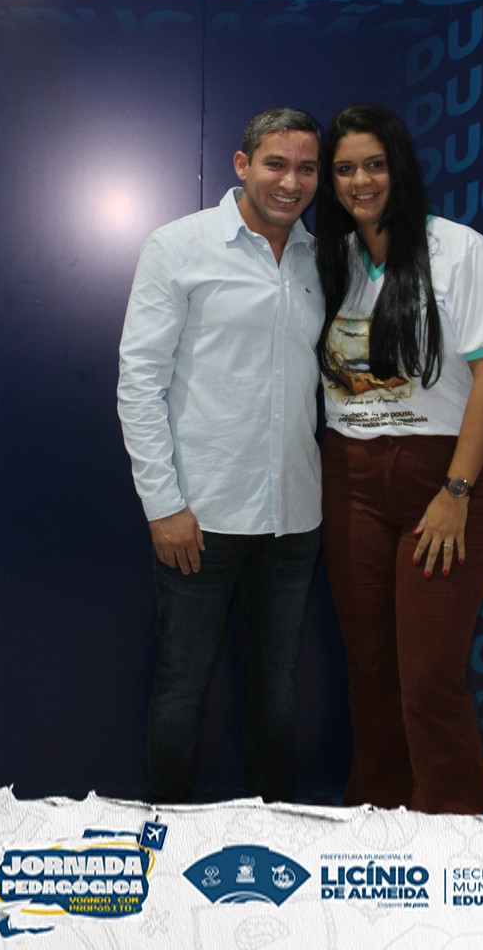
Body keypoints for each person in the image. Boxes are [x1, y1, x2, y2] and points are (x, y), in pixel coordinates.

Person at [118, 107, 323, 805]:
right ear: (242, 165)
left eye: (306, 168)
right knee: (183, 685)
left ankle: (276, 824)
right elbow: (140, 381)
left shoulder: (319, 259)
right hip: (198, 518)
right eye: (276, 164)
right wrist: (163, 505)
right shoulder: (179, 246)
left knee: (277, 684)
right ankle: (163, 834)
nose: (290, 182)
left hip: (294, 517)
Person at [315, 103, 483, 814]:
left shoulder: (461, 250)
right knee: (371, 672)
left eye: (375, 164)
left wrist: (457, 491)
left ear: (399, 166)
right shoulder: (329, 260)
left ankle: (452, 834)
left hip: (443, 480)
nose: (361, 181)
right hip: (350, 481)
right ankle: (378, 823)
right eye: (345, 169)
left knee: (428, 676)